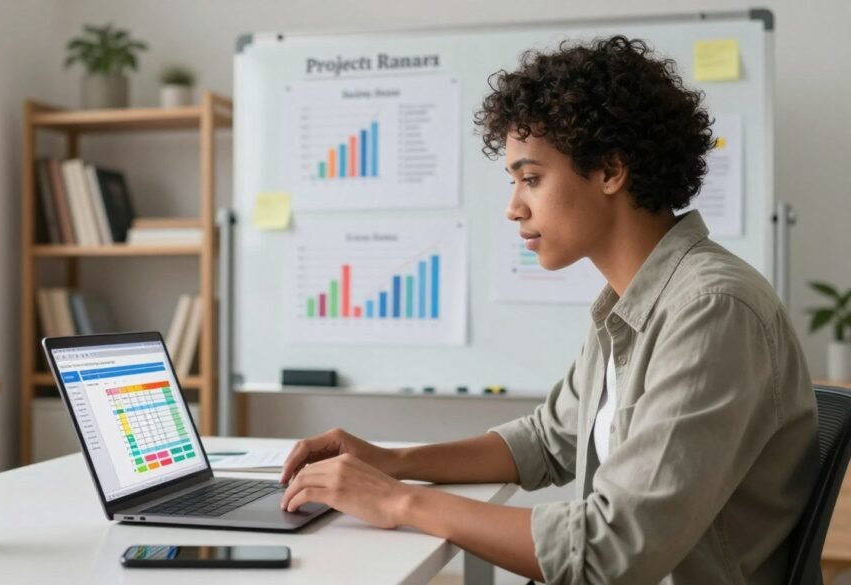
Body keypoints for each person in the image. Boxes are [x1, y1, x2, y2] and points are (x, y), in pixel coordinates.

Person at [279, 36, 818, 584]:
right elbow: (544, 441)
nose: (514, 208)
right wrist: (395, 463)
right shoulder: (628, 303)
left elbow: (610, 551)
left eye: (531, 179)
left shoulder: (710, 311)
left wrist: (398, 503)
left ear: (610, 171)